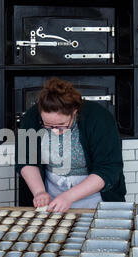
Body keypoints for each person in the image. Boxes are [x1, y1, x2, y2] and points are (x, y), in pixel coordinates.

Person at [15, 77, 126, 212]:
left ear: (74, 111)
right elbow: (26, 159)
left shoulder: (100, 118)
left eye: (61, 126)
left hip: (95, 195)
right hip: (51, 192)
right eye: (48, 126)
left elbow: (108, 168)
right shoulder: (31, 117)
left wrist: (69, 196)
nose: (55, 131)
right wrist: (39, 192)